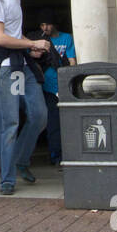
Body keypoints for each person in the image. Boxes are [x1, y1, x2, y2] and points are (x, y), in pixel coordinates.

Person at [0, 0, 51, 195]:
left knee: (39, 115)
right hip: (6, 68)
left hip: (22, 64)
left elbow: (14, 33)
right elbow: (0, 37)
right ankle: (7, 180)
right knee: (10, 123)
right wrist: (32, 42)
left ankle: (21, 159)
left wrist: (28, 47)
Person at [34, 9, 76, 166]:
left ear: (54, 24)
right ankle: (56, 155)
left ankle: (69, 153)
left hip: (65, 85)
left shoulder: (67, 38)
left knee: (68, 122)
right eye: (42, 25)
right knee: (53, 122)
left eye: (47, 24)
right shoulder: (38, 40)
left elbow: (72, 60)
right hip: (47, 87)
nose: (44, 28)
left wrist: (71, 81)